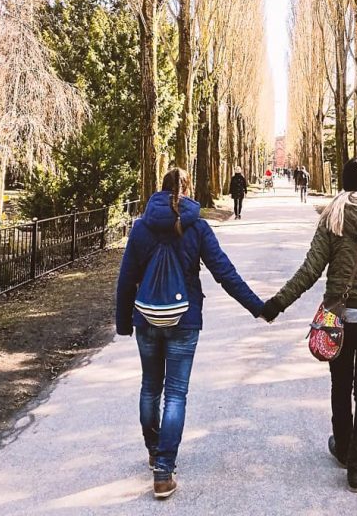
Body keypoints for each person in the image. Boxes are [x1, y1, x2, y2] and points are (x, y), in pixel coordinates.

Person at [260, 158, 357, 492]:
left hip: (339, 320)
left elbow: (309, 271)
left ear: (344, 184)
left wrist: (277, 304)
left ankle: (343, 449)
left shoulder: (334, 220)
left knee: (341, 385)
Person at [116, 167, 263, 499]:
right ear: (186, 190)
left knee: (150, 387)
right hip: (185, 320)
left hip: (147, 319)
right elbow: (225, 272)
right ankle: (164, 471)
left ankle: (155, 449)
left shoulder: (140, 228)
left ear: (160, 189)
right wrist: (258, 307)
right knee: (176, 394)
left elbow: (126, 279)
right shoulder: (197, 227)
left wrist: (124, 322)